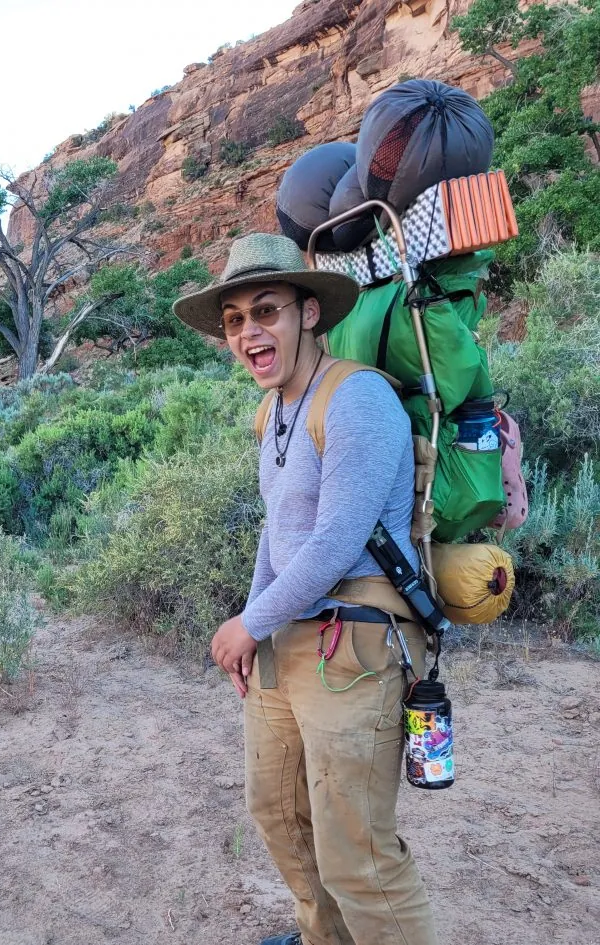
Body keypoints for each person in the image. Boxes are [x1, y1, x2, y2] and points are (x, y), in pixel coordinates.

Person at [174, 232, 438, 945]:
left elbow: (336, 542)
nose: (249, 332)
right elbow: (278, 530)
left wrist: (249, 622)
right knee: (279, 813)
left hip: (353, 648)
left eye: (267, 311)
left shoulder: (357, 399)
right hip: (286, 638)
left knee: (359, 852)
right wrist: (251, 628)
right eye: (235, 320)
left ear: (309, 314)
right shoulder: (273, 413)